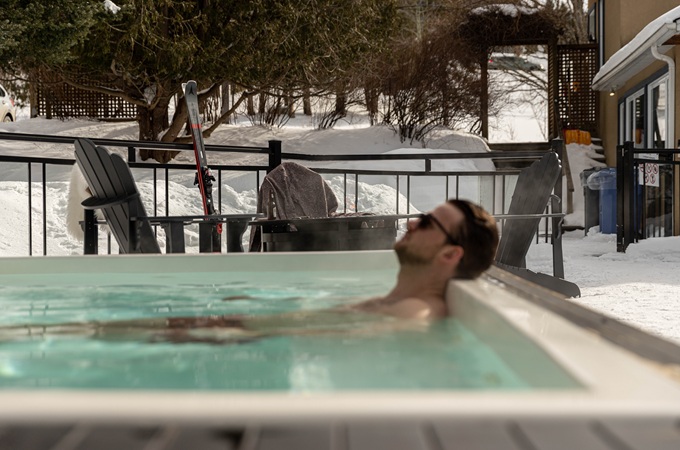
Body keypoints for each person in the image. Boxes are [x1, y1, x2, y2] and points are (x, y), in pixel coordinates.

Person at [6, 199, 499, 344]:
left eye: (428, 223)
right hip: (248, 333)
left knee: (105, 332)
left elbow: (349, 335)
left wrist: (246, 327)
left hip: (247, 339)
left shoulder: (416, 310)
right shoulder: (399, 297)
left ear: (450, 255)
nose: (411, 222)